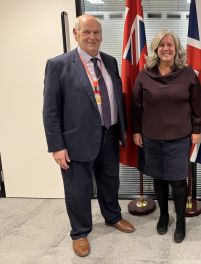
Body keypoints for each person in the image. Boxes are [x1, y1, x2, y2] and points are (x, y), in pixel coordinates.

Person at [43, 14, 134, 257]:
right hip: (76, 141)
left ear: (102, 35)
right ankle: (80, 232)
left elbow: (115, 97)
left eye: (96, 33)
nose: (92, 37)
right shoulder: (58, 65)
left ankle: (113, 216)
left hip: (109, 134)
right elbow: (50, 110)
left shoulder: (110, 61)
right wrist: (57, 146)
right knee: (78, 189)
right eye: (86, 32)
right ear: (76, 34)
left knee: (109, 182)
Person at [130, 30, 201, 243]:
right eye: (161, 45)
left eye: (170, 44)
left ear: (176, 48)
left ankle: (180, 221)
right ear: (155, 49)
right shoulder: (145, 74)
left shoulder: (188, 74)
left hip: (179, 137)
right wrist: (136, 129)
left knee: (178, 181)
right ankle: (164, 215)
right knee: (159, 179)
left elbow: (197, 105)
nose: (166, 48)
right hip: (151, 137)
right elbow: (136, 105)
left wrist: (196, 129)